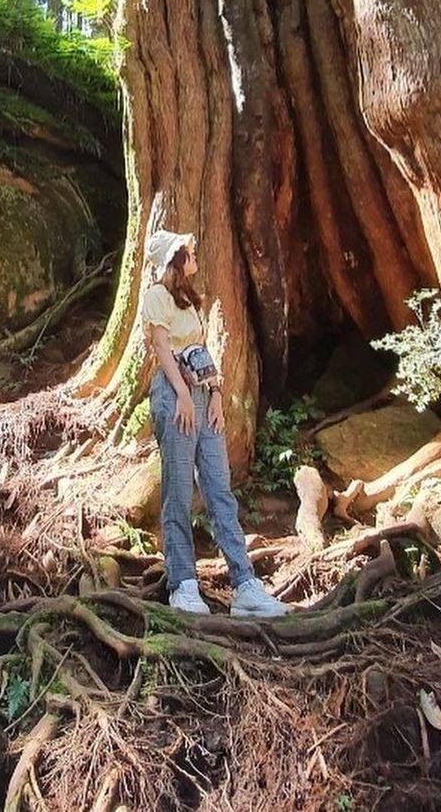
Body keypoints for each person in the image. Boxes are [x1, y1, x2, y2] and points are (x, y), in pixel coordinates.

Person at [144, 228, 289, 618]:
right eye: (187, 252)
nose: (194, 254)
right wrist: (184, 396)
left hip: (204, 397)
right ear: (173, 259)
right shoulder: (156, 296)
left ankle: (245, 585)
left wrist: (218, 397)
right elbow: (161, 347)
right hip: (176, 396)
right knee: (177, 488)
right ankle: (183, 585)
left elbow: (201, 352)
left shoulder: (187, 300)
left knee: (219, 488)